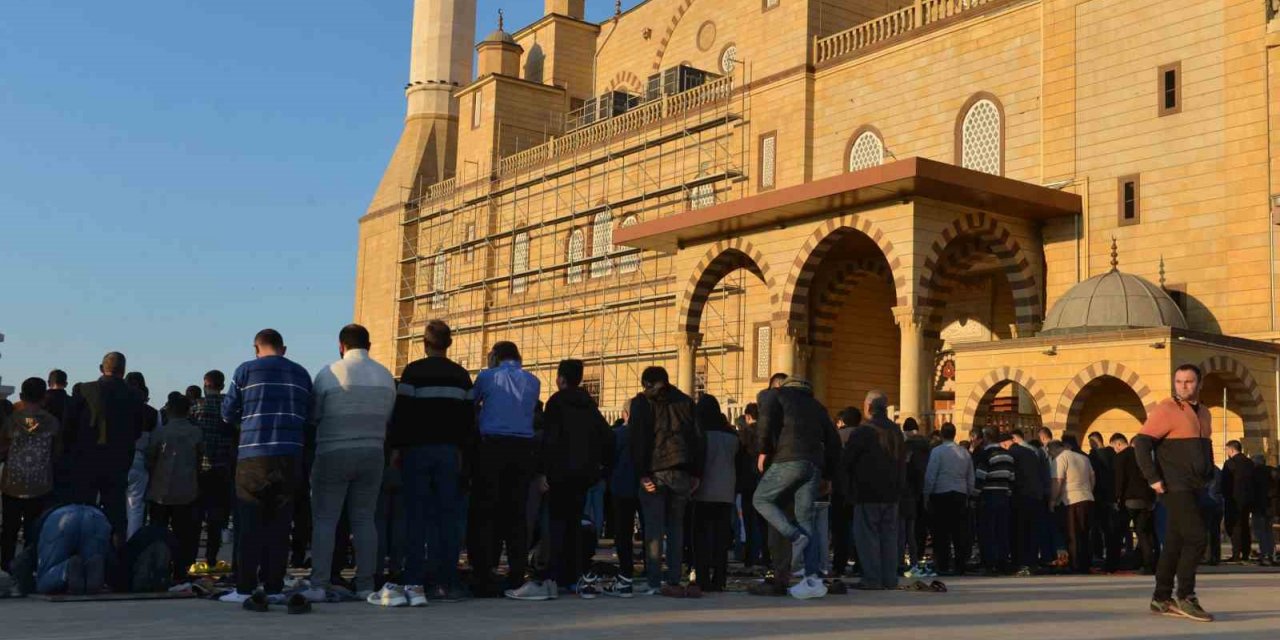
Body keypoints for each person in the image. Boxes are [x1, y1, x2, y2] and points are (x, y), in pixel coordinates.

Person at [301, 324, 396, 602]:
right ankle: (366, 584)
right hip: (372, 451)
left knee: (325, 519)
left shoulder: (329, 374)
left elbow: (315, 414)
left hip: (333, 451)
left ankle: (319, 583)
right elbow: (388, 416)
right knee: (365, 519)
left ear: (341, 346)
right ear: (370, 344)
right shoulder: (385, 375)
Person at [385, 319, 476, 605]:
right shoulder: (462, 376)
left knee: (416, 517)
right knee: (447, 518)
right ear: (449, 344)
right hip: (450, 454)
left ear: (425, 344)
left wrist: (396, 450)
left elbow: (401, 415)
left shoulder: (413, 372)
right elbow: (468, 421)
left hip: (417, 452)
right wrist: (464, 455)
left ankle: (414, 581)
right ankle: (445, 582)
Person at [220, 329, 313, 606]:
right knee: (280, 526)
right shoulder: (301, 374)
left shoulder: (245, 371)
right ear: (283, 349)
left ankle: (245, 588)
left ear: (255, 348)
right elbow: (310, 414)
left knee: (249, 524)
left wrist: (247, 423)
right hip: (289, 456)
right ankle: (274, 587)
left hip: (253, 455)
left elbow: (228, 412)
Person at [508, 359, 612, 601]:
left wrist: (543, 471)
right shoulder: (589, 405)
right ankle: (572, 577)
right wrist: (598, 468)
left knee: (555, 527)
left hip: (559, 474)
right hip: (582, 476)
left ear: (561, 379)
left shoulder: (557, 402)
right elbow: (606, 437)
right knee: (574, 525)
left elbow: (551, 440)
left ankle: (551, 579)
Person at [1133, 364, 1215, 622]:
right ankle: (1186, 595)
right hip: (1174, 486)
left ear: (1199, 383)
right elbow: (1142, 443)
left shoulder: (1205, 413)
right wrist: (1153, 478)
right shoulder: (1166, 409)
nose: (1183, 386)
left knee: (1174, 542)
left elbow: (1204, 448)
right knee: (1197, 537)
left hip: (1197, 486)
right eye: (1178, 381)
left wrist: (1209, 474)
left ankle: (1161, 597)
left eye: (1189, 381)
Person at [750, 376, 837, 600]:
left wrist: (763, 450)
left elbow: (765, 422)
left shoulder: (775, 396)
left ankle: (794, 536)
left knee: (760, 499)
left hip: (788, 459)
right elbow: (834, 441)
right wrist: (828, 474)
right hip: (813, 465)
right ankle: (812, 580)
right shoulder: (817, 406)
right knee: (806, 519)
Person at [467, 341, 540, 599]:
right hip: (523, 450)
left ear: (495, 356)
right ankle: (516, 573)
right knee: (517, 514)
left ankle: (487, 571)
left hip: (493, 448)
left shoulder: (487, 376)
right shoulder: (533, 381)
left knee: (488, 511)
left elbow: (471, 406)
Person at [630, 366, 702, 598]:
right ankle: (673, 578)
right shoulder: (685, 401)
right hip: (681, 472)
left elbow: (638, 438)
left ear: (646, 383)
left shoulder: (642, 402)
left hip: (655, 472)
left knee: (653, 528)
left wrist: (641, 473)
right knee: (676, 528)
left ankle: (654, 579)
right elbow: (698, 439)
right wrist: (696, 473)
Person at [64, 352, 146, 547]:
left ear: (102, 368)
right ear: (123, 370)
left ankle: (83, 551)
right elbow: (137, 431)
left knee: (83, 509)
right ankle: (115, 556)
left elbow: (69, 427)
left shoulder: (84, 390)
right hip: (118, 461)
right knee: (116, 512)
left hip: (86, 460)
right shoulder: (134, 395)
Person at [842, 391, 905, 591]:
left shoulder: (863, 431)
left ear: (868, 407)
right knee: (889, 536)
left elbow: (847, 461)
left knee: (868, 537)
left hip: (867, 492)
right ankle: (889, 578)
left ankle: (872, 578)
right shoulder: (896, 431)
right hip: (892, 492)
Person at [0, 377, 62, 572]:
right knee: (33, 531)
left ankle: (6, 565)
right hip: (40, 484)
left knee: (9, 529)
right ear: (44, 398)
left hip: (12, 484)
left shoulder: (12, 421)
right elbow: (57, 452)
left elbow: (2, 448)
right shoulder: (52, 422)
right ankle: (28, 568)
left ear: (21, 396)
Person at [145, 394, 204, 583]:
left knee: (158, 533)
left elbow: (150, 458)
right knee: (185, 535)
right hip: (187, 490)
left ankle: (158, 568)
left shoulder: (160, 433)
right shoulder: (196, 433)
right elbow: (199, 460)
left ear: (169, 410)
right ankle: (181, 570)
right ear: (188, 411)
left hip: (160, 491)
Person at [692, 394, 737, 593]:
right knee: (721, 539)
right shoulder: (732, 437)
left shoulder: (699, 434)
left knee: (701, 539)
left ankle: (702, 578)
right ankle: (720, 578)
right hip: (726, 493)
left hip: (701, 492)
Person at [192, 370, 234, 574]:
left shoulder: (197, 405)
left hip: (199, 468)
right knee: (217, 519)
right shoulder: (229, 405)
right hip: (223, 468)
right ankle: (211, 558)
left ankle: (191, 558)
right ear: (222, 384)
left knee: (195, 516)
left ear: (205, 383)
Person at [923, 422, 974, 576]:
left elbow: (931, 475)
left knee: (941, 532)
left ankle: (943, 564)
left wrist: (926, 494)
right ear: (954, 434)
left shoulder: (937, 452)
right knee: (959, 532)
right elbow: (970, 476)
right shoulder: (964, 453)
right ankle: (960, 564)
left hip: (941, 494)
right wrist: (968, 494)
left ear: (942, 435)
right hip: (960, 494)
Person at [605, 400, 640, 597]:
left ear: (625, 414)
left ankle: (625, 572)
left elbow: (609, 460)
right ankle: (651, 573)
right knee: (650, 532)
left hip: (620, 486)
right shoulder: (645, 436)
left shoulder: (618, 435)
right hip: (643, 487)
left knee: (623, 533)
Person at [1112, 433, 1157, 574]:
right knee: (1144, 532)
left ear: (1118, 444)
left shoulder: (1121, 457)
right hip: (1146, 499)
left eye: (1114, 447)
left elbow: (1120, 479)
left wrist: (1117, 498)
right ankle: (1149, 564)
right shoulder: (1144, 457)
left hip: (1129, 499)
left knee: (1119, 531)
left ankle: (1114, 563)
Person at [1051, 435, 1095, 574]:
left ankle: (1075, 565)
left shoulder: (1060, 459)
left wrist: (1053, 500)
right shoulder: (1084, 458)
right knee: (1084, 532)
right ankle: (1085, 563)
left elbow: (1057, 481)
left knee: (1072, 534)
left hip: (1071, 500)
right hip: (1087, 497)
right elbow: (1092, 478)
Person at [973, 430, 1015, 575]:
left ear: (985, 438)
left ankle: (989, 564)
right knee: (1002, 530)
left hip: (988, 496)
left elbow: (980, 477)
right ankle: (1003, 562)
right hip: (1003, 495)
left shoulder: (986, 454)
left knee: (988, 531)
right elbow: (1011, 477)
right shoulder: (1008, 455)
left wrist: (975, 496)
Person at [123, 373, 159, 541]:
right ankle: (133, 544)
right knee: (136, 507)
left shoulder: (116, 407)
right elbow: (156, 442)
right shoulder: (152, 413)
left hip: (115, 459)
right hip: (139, 460)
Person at [1006, 428, 1046, 576]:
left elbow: (1012, 476)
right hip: (1035, 496)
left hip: (1020, 497)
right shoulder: (1031, 452)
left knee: (1018, 531)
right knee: (1032, 531)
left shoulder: (1012, 454)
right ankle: (1032, 562)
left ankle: (1019, 562)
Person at [735, 402, 768, 569]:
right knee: (764, 521)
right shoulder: (766, 433)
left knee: (748, 522)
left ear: (747, 417)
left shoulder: (743, 434)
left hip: (747, 481)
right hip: (765, 480)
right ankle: (766, 556)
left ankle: (750, 556)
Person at [830, 407, 861, 577]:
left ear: (842, 421)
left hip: (839, 488)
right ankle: (860, 563)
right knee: (859, 529)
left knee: (839, 531)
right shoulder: (866, 435)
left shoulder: (837, 436)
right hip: (859, 489)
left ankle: (839, 565)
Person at [900, 418, 930, 577]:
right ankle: (915, 559)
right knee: (917, 530)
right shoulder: (927, 447)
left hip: (907, 493)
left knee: (903, 531)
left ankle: (902, 562)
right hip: (921, 492)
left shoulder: (906, 448)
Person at [1087, 431, 1120, 571]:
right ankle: (1113, 559)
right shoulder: (1113, 455)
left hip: (1098, 497)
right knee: (1111, 531)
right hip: (1112, 497)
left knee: (1098, 529)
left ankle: (1100, 555)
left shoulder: (1094, 457)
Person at [1220, 440, 1255, 563]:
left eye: (1227, 450)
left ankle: (1236, 554)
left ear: (1232, 449)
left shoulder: (1230, 463)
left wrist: (1224, 495)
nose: (1227, 452)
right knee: (1245, 526)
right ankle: (1245, 552)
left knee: (1234, 526)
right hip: (1248, 500)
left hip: (1233, 500)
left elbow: (1225, 482)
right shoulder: (1250, 463)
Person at [1248, 454, 1274, 566]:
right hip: (1270, 506)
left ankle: (1264, 555)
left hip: (1259, 507)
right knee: (1269, 531)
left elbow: (1253, 491)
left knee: (1260, 532)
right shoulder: (1272, 472)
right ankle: (1270, 554)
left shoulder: (1255, 473)